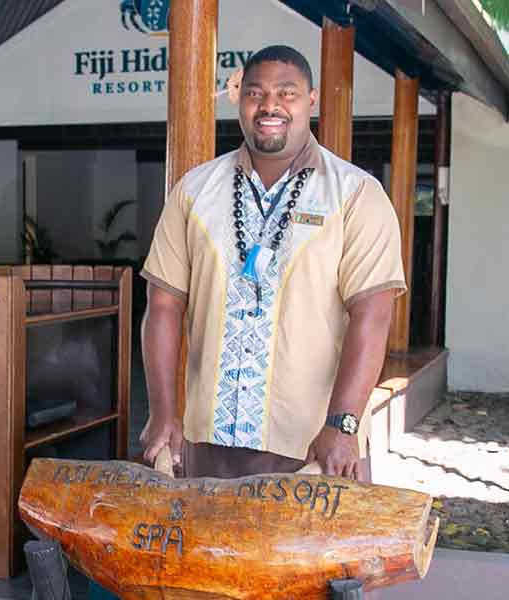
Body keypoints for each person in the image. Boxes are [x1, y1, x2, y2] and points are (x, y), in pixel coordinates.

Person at [139, 44, 404, 482]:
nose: (270, 106)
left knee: (314, 553)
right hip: (209, 443)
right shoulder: (195, 191)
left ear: (311, 100)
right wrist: (164, 412)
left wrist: (343, 425)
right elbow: (163, 304)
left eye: (287, 92)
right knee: (208, 551)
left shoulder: (355, 194)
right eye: (256, 93)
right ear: (239, 98)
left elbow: (372, 317)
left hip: (313, 448)